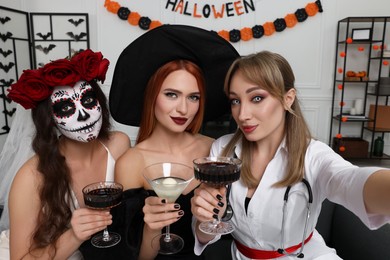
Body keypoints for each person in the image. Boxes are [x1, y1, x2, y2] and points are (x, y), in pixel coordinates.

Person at [191, 51, 390, 259]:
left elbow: (350, 180)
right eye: (235, 101)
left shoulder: (313, 155)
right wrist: (204, 216)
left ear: (288, 99)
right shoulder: (222, 151)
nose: (242, 115)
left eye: (257, 98)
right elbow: (204, 233)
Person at [109, 24, 240, 259]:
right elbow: (138, 257)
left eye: (193, 97)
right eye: (171, 94)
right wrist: (152, 226)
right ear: (152, 97)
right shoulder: (131, 163)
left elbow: (219, 233)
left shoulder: (215, 150)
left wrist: (209, 218)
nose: (183, 108)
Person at [0, 49, 130, 259]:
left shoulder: (119, 144)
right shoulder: (31, 177)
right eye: (66, 107)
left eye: (88, 101)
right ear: (49, 118)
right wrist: (74, 236)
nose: (83, 115)